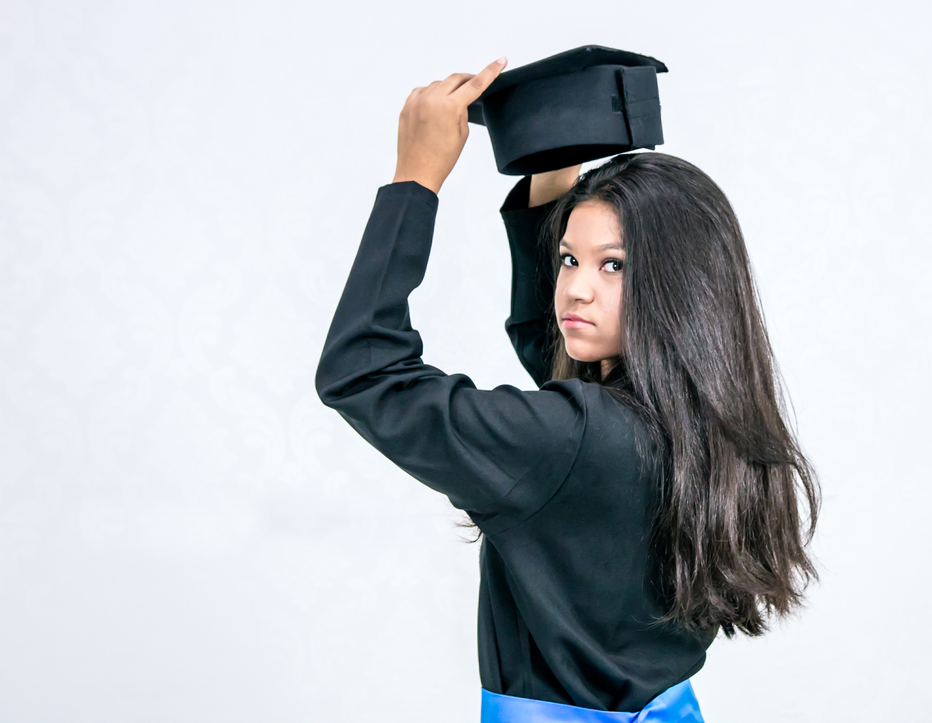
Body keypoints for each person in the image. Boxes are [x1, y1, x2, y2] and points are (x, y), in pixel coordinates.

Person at [314, 57, 821, 722]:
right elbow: (562, 358)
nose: (575, 287)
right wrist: (552, 181)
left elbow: (363, 372)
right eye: (568, 259)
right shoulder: (714, 429)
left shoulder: (569, 439)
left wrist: (415, 182)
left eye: (613, 265)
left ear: (678, 284)